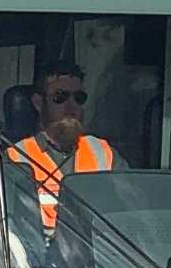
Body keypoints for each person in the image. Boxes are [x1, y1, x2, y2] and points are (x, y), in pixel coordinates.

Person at [10, 61, 115, 231]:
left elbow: (130, 212)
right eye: (60, 97)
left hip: (102, 254)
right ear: (38, 102)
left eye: (79, 98)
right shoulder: (14, 158)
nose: (71, 107)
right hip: (39, 255)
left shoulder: (105, 153)